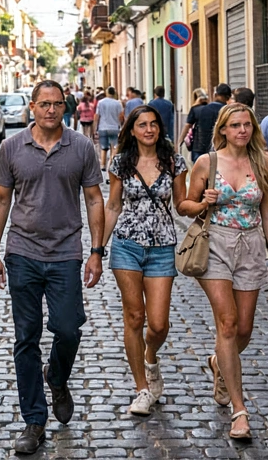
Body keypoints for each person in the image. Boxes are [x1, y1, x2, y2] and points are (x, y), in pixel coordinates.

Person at [0, 81, 105, 454]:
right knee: (27, 337)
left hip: (66, 253)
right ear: (33, 107)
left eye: (57, 104)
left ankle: (56, 375)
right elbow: (1, 200)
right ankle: (33, 422)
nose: (50, 110)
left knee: (69, 328)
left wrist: (97, 251)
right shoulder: (12, 147)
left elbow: (94, 199)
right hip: (22, 253)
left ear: (65, 106)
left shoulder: (82, 147)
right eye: (44, 104)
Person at [178, 103, 268, 440]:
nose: (242, 130)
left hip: (251, 246)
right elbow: (185, 206)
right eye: (235, 125)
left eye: (247, 125)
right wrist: (204, 201)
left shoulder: (263, 162)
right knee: (227, 322)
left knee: (245, 328)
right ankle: (240, 412)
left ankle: (218, 363)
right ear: (222, 129)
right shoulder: (207, 163)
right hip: (215, 245)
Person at [99, 106, 187, 416]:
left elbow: (181, 203)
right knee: (134, 317)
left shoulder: (174, 160)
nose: (148, 129)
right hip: (126, 245)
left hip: (162, 246)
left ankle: (150, 356)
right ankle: (141, 388)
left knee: (159, 323)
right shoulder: (121, 162)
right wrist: (98, 249)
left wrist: (204, 202)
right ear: (131, 130)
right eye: (142, 125)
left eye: (153, 124)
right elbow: (112, 205)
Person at [185, 84, 230, 162]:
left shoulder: (198, 109)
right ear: (228, 97)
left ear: (215, 94)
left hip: (199, 148)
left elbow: (187, 125)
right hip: (219, 149)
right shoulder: (228, 111)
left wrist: (179, 142)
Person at [95, 87, 125, 171]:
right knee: (114, 147)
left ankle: (103, 165)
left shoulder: (101, 102)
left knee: (103, 148)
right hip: (114, 127)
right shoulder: (117, 103)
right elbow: (121, 116)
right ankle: (111, 164)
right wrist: (121, 124)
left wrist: (95, 127)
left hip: (103, 127)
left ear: (107, 93)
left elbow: (97, 115)